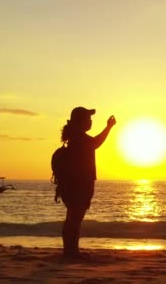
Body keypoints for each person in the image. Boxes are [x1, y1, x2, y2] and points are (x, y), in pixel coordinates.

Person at [59, 106, 116, 260]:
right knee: (75, 219)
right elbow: (96, 143)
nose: (90, 122)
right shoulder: (80, 139)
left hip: (75, 184)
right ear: (80, 121)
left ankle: (70, 251)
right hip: (79, 185)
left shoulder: (76, 137)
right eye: (88, 119)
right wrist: (109, 127)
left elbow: (94, 144)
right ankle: (71, 252)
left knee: (73, 217)